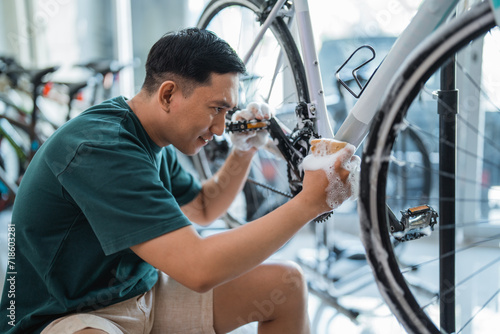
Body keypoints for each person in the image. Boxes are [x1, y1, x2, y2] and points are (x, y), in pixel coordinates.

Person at [0, 28, 356, 334]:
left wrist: (244, 152)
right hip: (69, 314)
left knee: (286, 284)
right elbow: (198, 268)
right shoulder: (101, 148)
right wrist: (309, 203)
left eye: (227, 113)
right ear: (168, 94)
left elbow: (203, 207)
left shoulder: (152, 133)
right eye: (216, 109)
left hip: (138, 292)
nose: (220, 130)